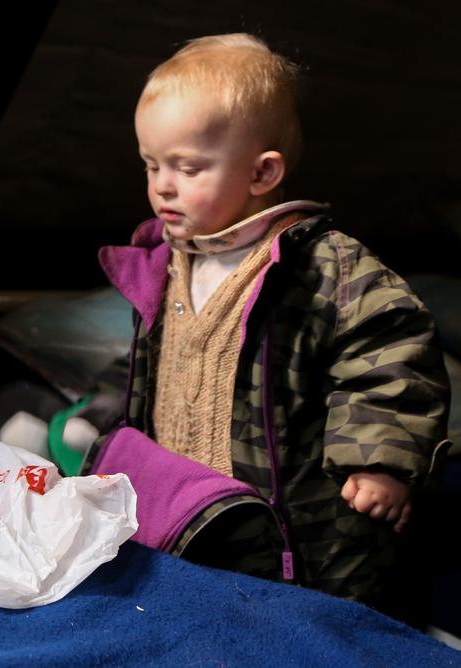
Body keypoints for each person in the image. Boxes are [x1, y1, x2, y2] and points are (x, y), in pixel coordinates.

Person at [89, 33, 450, 611]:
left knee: (301, 618)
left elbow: (391, 352)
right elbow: (151, 365)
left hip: (302, 530)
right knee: (193, 605)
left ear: (262, 174)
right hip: (189, 508)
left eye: (188, 168)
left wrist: (379, 462)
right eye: (151, 165)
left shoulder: (322, 266)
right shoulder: (168, 259)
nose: (162, 185)